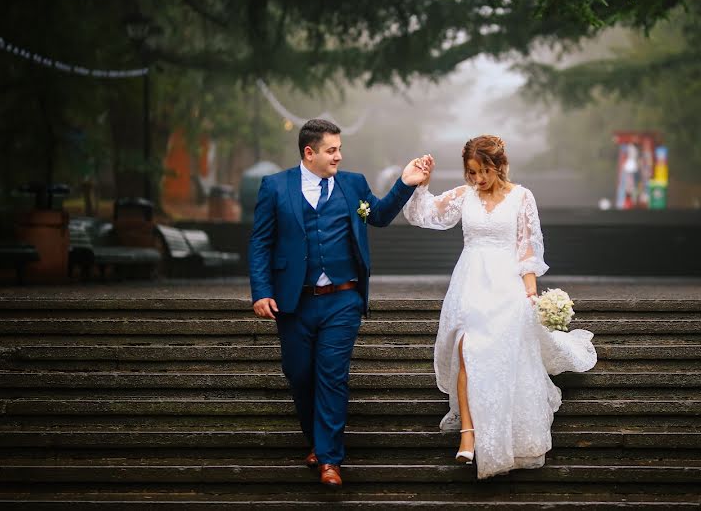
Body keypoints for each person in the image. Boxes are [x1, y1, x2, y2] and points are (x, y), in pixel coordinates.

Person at [248, 118, 429, 488]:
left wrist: (405, 184)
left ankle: (330, 459)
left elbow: (376, 216)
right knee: (299, 375)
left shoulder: (353, 184)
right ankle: (316, 441)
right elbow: (260, 243)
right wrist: (261, 291)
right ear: (309, 152)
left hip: (342, 299)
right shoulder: (275, 187)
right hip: (292, 302)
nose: (339, 156)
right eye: (331, 150)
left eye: (339, 148)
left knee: (332, 376)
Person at [403, 135, 597, 479]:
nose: (478, 179)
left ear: (500, 166)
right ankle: (468, 433)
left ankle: (504, 431)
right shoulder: (464, 196)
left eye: (484, 171)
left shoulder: (522, 198)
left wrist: (531, 294)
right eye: (472, 172)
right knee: (465, 347)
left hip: (506, 286)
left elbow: (527, 249)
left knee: (501, 356)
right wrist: (422, 184)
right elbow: (424, 213)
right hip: (470, 284)